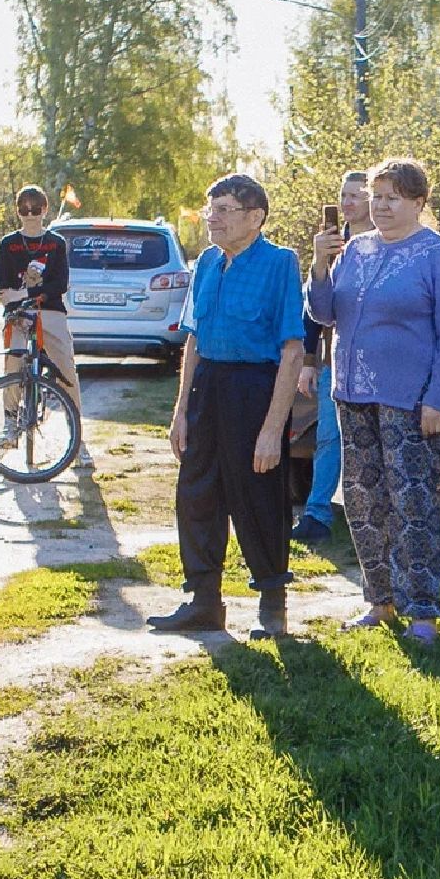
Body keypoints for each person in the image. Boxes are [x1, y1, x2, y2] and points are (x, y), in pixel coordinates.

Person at [307, 157, 440, 648]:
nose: (380, 206)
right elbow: (324, 313)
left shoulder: (434, 253)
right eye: (375, 197)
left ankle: (423, 612)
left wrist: (439, 398)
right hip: (351, 394)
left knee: (412, 504)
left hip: (410, 400)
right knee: (362, 501)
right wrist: (319, 264)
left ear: (418, 202)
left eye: (392, 198)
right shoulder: (355, 249)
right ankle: (379, 601)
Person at [148, 174, 305, 640]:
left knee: (258, 496)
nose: (211, 219)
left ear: (255, 217)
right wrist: (180, 412)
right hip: (208, 388)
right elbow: (194, 339)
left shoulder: (279, 263)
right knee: (196, 496)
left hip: (254, 389)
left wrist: (272, 429)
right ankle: (203, 602)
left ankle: (272, 603)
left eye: (223, 210)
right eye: (210, 209)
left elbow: (292, 351)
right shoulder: (206, 264)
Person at [291, 171, 372, 545]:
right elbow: (313, 306)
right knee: (328, 435)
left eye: (357, 194)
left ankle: (369, 515)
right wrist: (308, 361)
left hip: (377, 362)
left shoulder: (385, 243)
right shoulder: (333, 243)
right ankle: (317, 513)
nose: (348, 202)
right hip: (333, 359)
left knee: (369, 440)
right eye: (344, 195)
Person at [0, 185, 85, 460]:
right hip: (19, 314)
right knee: (14, 360)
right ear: (18, 211)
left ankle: (78, 438)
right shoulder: (8, 244)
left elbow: (60, 285)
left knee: (66, 369)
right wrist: (19, 298)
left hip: (51, 312)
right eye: (25, 209)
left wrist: (23, 293)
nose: (30, 214)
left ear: (45, 210)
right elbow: (3, 290)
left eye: (36, 209)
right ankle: (10, 422)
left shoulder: (56, 243)